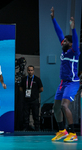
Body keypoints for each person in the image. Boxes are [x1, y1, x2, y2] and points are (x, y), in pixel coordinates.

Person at [50, 7, 80, 142]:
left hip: (72, 82)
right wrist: (53, 19)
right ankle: (62, 131)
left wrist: (73, 28)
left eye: (66, 41)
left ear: (71, 44)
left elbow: (74, 39)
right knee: (55, 107)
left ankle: (73, 133)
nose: (63, 42)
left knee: (64, 105)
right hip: (63, 82)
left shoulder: (74, 52)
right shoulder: (64, 50)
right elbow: (59, 32)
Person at [19, 65, 43, 131]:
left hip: (34, 100)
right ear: (27, 71)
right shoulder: (24, 79)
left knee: (35, 115)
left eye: (31, 70)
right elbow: (20, 87)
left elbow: (41, 89)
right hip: (26, 100)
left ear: (33, 71)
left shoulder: (37, 79)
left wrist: (35, 93)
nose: (30, 72)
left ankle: (37, 128)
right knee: (26, 115)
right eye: (29, 70)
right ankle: (25, 128)